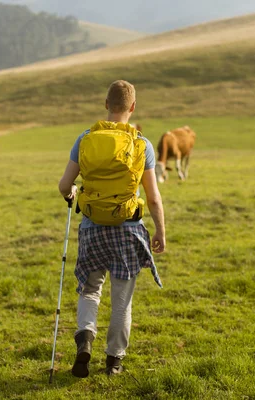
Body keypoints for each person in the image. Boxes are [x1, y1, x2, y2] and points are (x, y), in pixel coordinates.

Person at [58, 80, 166, 377]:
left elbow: (64, 186)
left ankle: (85, 339)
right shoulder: (142, 144)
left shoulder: (85, 138)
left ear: (106, 105)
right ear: (133, 107)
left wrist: (72, 196)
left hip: (92, 227)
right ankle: (114, 361)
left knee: (90, 290)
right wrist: (160, 231)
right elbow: (154, 198)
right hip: (128, 228)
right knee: (121, 300)